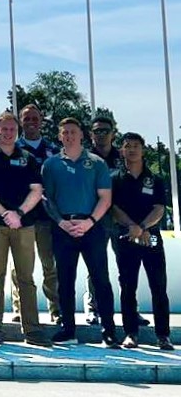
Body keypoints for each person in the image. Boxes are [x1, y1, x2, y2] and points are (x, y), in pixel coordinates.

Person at [42, 117, 119, 347]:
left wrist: (90, 221)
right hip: (63, 228)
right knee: (65, 281)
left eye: (73, 132)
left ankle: (108, 331)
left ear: (81, 135)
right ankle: (68, 330)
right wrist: (61, 222)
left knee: (101, 280)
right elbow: (47, 198)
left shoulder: (96, 163)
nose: (68, 136)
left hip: (92, 228)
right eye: (64, 132)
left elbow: (105, 198)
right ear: (59, 136)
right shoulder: (52, 164)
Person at [0, 111, 50, 346]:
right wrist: (5, 214)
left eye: (12, 129)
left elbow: (37, 190)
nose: (8, 133)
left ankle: (33, 331)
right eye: (4, 129)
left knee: (26, 278)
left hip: (24, 225)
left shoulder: (28, 158)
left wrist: (18, 213)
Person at [111, 132, 173, 350]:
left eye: (136, 146)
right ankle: (131, 333)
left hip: (151, 238)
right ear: (121, 150)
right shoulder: (115, 179)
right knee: (128, 287)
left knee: (158, 286)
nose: (132, 150)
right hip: (126, 237)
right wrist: (133, 228)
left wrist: (144, 228)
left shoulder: (154, 179)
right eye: (127, 146)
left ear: (143, 150)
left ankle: (163, 335)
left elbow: (159, 208)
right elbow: (114, 209)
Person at [11, 103, 60, 323]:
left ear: (41, 120)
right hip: (21, 218)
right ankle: (19, 309)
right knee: (20, 267)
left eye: (35, 118)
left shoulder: (53, 150)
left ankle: (55, 309)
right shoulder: (13, 148)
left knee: (50, 266)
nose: (31, 122)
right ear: (21, 121)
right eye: (27, 118)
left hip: (47, 217)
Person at [84, 115, 123, 326]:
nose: (101, 135)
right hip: (95, 219)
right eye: (97, 131)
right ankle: (93, 307)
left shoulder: (123, 157)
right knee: (96, 266)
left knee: (126, 266)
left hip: (120, 219)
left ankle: (130, 310)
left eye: (105, 130)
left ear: (113, 134)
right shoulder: (85, 158)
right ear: (90, 135)